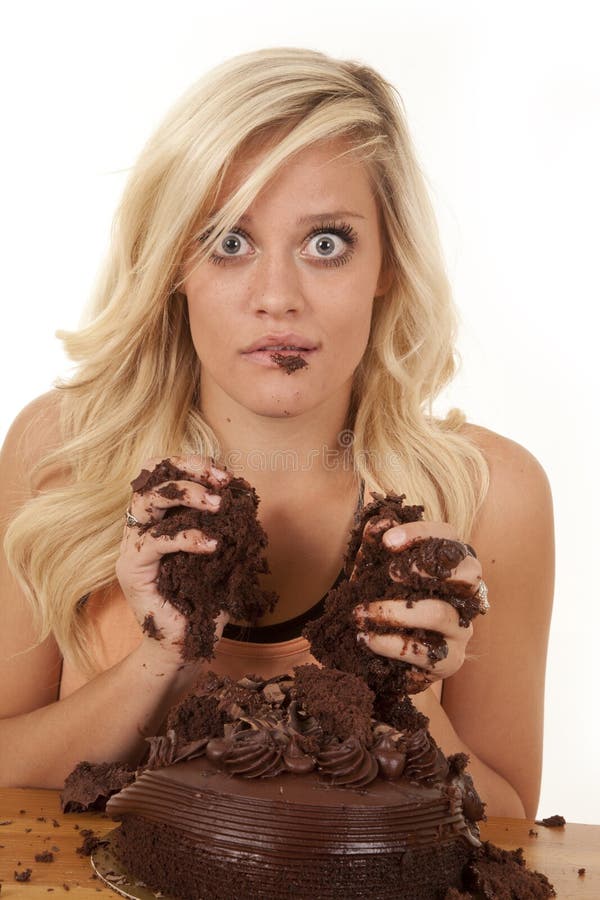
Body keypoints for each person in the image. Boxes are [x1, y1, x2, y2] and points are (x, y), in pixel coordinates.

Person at [0, 47, 553, 817]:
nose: (277, 298)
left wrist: (409, 697)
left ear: (386, 261)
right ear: (173, 266)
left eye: (325, 243)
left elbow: (517, 830)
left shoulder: (493, 494)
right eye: (230, 241)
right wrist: (161, 660)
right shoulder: (59, 450)